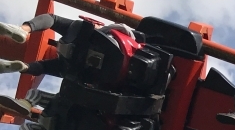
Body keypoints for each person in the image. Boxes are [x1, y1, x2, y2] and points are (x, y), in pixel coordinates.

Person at [0, 14, 145, 78]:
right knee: (49, 67)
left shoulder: (139, 41)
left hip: (87, 42)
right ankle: (25, 67)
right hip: (84, 66)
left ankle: (24, 30)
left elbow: (119, 29)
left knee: (52, 19)